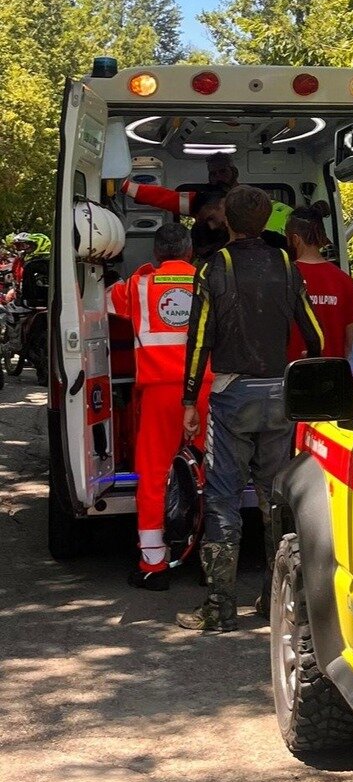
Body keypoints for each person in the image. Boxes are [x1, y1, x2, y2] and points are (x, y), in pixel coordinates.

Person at [179, 184, 323, 633]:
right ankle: (272, 599)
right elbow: (313, 332)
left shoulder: (213, 267)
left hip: (232, 395)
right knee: (273, 498)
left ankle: (220, 608)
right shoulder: (286, 264)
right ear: (268, 219)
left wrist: (188, 399)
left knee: (222, 497)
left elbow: (199, 338)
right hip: (280, 393)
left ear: (228, 219)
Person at [107, 221, 209, 589]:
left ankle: (154, 565)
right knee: (209, 472)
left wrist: (144, 271)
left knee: (152, 475)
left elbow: (105, 301)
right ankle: (209, 558)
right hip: (205, 391)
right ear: (189, 251)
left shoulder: (139, 284)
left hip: (160, 393)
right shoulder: (207, 279)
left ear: (155, 253)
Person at [286, 206, 353, 361]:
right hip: (332, 376)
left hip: (292, 376)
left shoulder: (285, 278)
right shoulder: (344, 281)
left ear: (295, 239)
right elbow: (351, 342)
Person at [123, 156, 238, 222]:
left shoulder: (248, 197)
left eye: (223, 171)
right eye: (213, 174)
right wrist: (125, 186)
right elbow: (164, 198)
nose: (218, 176)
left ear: (234, 172)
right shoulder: (203, 199)